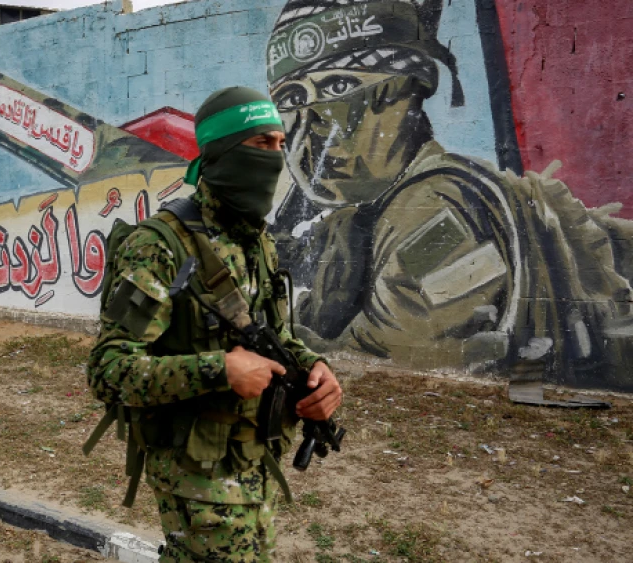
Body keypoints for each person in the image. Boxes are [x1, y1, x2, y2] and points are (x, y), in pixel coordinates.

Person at [266, 0, 633, 387]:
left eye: (339, 87)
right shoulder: (362, 217)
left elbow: (387, 365)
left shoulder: (437, 211)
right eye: (290, 100)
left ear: (413, 84)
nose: (312, 128)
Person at [88, 87, 343, 562]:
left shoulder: (256, 242)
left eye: (279, 145)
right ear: (222, 152)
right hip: (195, 473)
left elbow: (277, 335)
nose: (275, 157)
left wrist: (314, 368)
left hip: (254, 461)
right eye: (261, 144)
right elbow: (108, 371)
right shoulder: (158, 245)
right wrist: (219, 370)